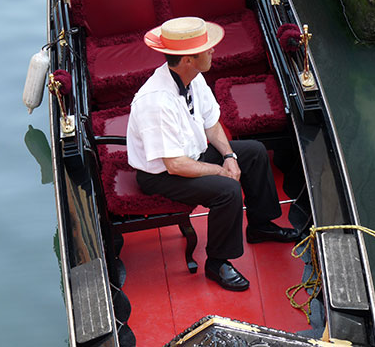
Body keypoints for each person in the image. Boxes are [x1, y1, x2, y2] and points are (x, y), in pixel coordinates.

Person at [126, 16, 299, 292]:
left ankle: (260, 225)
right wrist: (222, 171)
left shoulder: (194, 77)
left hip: (193, 154)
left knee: (252, 152)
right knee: (228, 190)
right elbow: (175, 165)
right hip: (161, 175)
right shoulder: (156, 102)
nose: (213, 51)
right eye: (206, 49)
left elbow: (211, 122)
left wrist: (229, 156)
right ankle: (217, 262)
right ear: (188, 60)